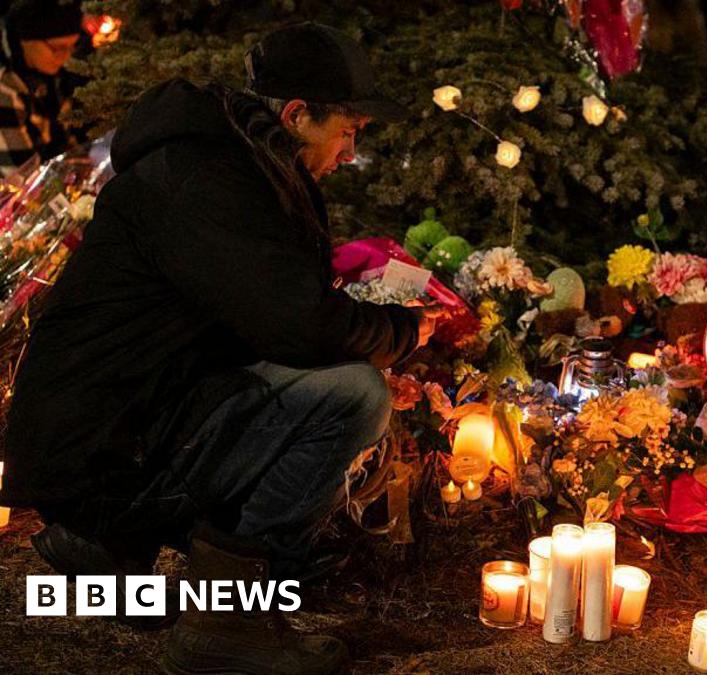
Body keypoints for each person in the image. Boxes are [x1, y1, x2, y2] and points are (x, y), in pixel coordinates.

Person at [0, 22, 435, 674]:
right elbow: (298, 322)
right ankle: (227, 620)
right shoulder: (206, 178)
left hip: (126, 420)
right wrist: (400, 336)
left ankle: (107, 548)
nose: (350, 153)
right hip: (104, 443)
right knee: (353, 397)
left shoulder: (240, 161)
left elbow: (262, 317)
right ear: (296, 115)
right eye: (347, 131)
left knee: (332, 379)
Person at [0, 0, 82, 175]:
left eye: (72, 46)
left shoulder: (54, 76)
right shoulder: (6, 90)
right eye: (58, 48)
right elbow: (22, 176)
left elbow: (67, 140)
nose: (66, 57)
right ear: (25, 41)